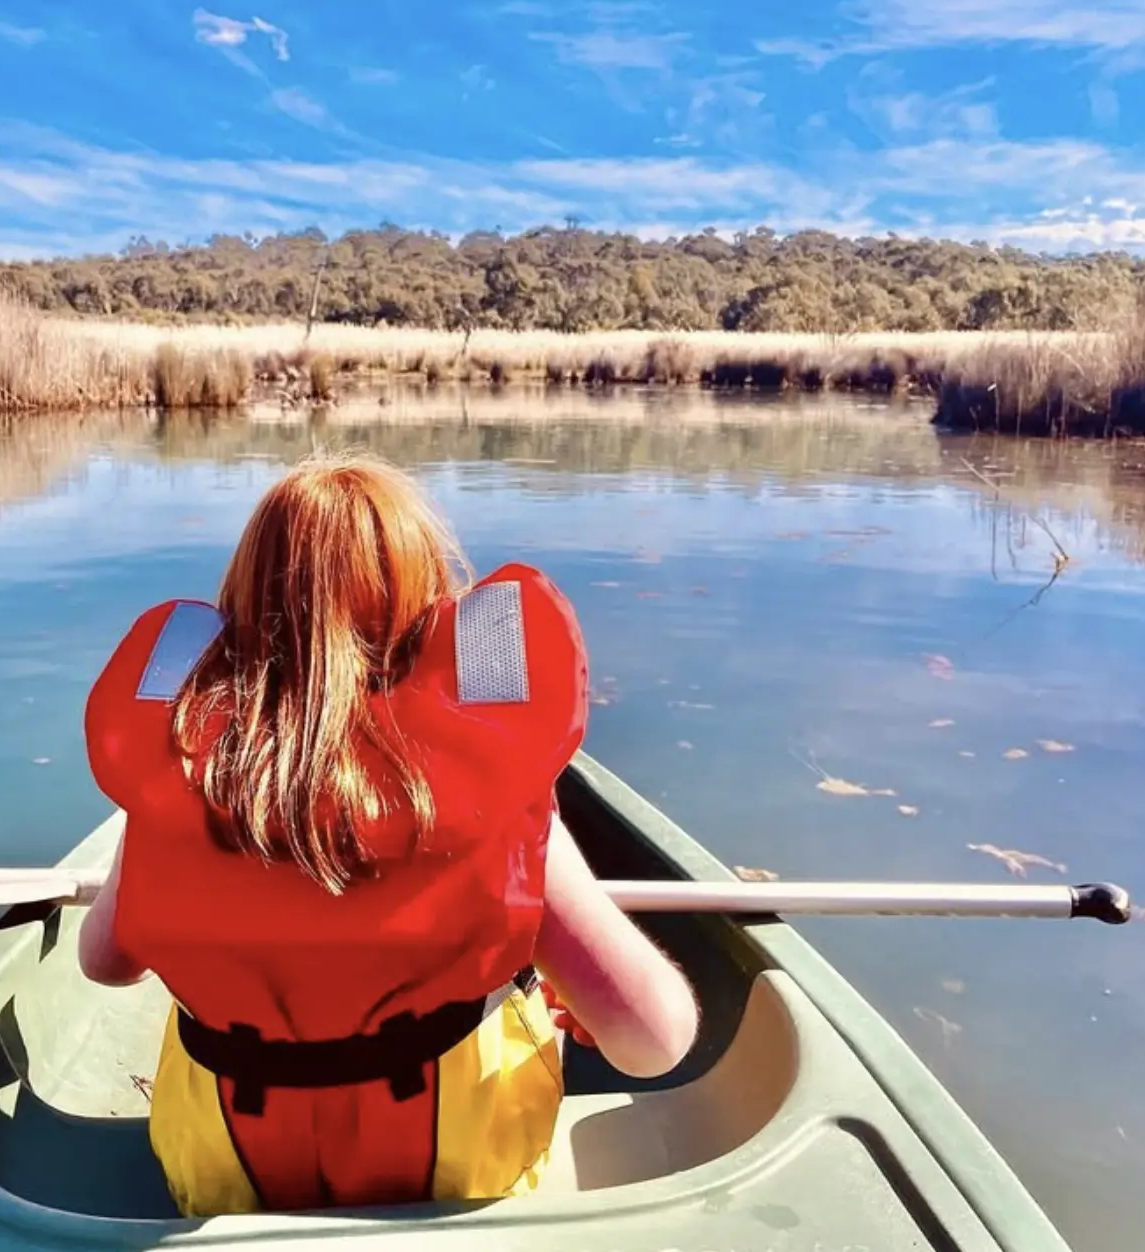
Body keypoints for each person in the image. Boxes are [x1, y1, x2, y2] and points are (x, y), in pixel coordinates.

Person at [78, 451, 697, 1217]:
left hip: (229, 1179)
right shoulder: (497, 797)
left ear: (240, 607)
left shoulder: (181, 784)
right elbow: (653, 1042)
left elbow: (104, 965)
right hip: (456, 1181)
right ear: (428, 614)